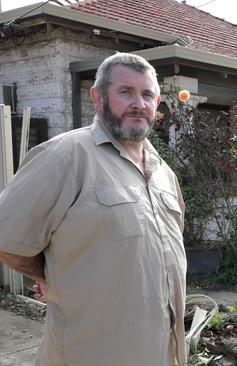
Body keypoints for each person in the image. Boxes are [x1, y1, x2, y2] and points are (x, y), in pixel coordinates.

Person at [0, 53, 187, 366]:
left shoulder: (163, 172)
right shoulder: (66, 156)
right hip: (90, 354)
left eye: (147, 94)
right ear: (98, 98)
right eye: (125, 92)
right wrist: (52, 275)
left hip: (161, 352)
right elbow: (6, 239)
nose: (139, 103)